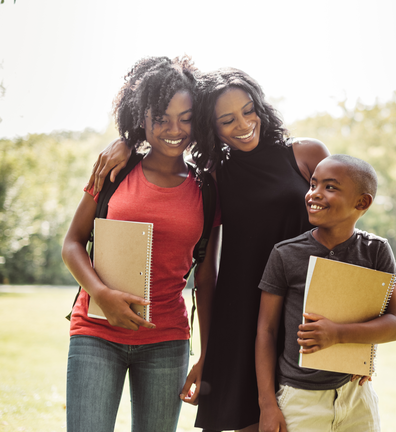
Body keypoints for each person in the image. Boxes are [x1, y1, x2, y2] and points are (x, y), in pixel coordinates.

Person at [87, 67, 330, 432]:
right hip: (243, 315)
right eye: (227, 120)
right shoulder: (213, 176)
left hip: (303, 307)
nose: (244, 124)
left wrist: (353, 332)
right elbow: (207, 269)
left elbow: (341, 236)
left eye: (248, 110)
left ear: (260, 107)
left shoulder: (307, 154)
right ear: (211, 127)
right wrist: (124, 142)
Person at [61, 56, 221, 432]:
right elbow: (72, 243)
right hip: (96, 332)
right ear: (140, 117)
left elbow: (207, 279)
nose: (174, 129)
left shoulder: (207, 188)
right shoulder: (116, 169)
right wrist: (100, 293)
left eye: (185, 118)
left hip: (166, 341)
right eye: (161, 118)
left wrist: (207, 354)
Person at [255, 154, 396, 432]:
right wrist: (267, 404)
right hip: (301, 399)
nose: (314, 194)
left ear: (362, 203)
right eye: (313, 184)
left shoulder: (376, 251)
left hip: (356, 394)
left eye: (330, 187)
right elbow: (266, 332)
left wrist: (338, 334)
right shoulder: (285, 254)